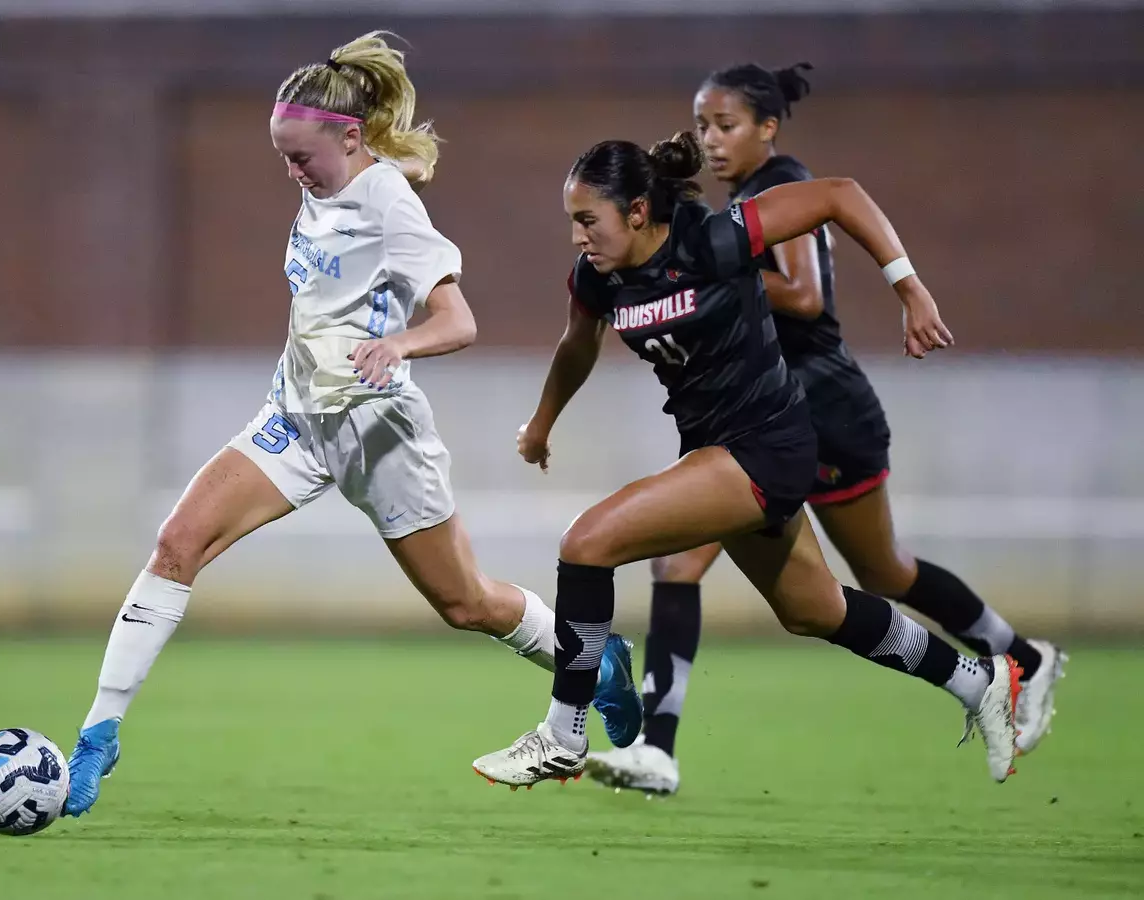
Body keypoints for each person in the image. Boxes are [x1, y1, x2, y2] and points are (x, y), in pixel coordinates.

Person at [61, 32, 641, 819]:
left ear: (349, 137)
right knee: (177, 542)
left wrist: (397, 343)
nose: (292, 174)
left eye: (302, 159)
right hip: (296, 418)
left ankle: (596, 664)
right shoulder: (321, 181)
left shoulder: (389, 203)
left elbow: (458, 321)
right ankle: (99, 733)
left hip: (379, 430)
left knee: (466, 604)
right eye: (283, 158)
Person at [470, 130, 1023, 789]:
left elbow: (839, 197)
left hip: (767, 444)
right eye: (573, 222)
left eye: (588, 219)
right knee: (816, 611)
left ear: (638, 212)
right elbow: (576, 344)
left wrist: (909, 288)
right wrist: (542, 423)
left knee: (587, 543)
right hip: (721, 451)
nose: (578, 235)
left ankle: (563, 735)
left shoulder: (711, 240)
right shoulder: (599, 277)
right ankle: (979, 682)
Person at [586, 64, 1066, 796]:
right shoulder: (736, 209)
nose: (711, 140)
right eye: (703, 126)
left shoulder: (779, 184)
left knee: (881, 574)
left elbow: (805, 297)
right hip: (767, 407)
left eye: (727, 125)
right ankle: (658, 746)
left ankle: (1018, 662)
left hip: (815, 405)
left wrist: (703, 283)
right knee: (773, 583)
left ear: (767, 128)